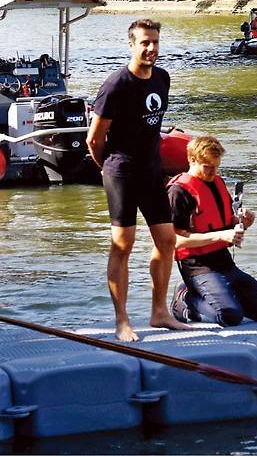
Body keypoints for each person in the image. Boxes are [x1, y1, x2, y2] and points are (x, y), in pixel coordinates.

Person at [87, 18, 189, 342]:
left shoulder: (162, 78)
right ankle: (122, 321)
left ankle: (159, 312)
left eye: (155, 42)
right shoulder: (116, 85)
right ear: (131, 45)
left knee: (167, 240)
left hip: (151, 170)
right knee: (123, 245)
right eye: (144, 42)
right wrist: (110, 169)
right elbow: (94, 139)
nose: (151, 48)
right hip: (121, 172)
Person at [168, 135, 257, 327]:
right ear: (192, 160)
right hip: (197, 267)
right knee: (229, 316)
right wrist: (220, 236)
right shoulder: (178, 192)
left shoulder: (217, 182)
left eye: (216, 166)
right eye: (207, 167)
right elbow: (173, 240)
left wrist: (243, 222)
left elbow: (225, 224)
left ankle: (220, 294)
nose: (212, 172)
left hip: (224, 263)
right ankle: (184, 299)